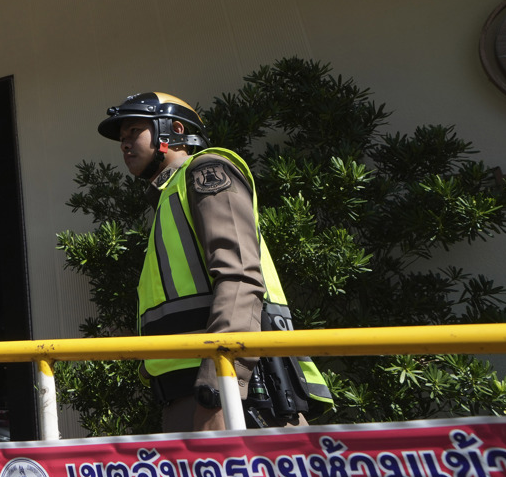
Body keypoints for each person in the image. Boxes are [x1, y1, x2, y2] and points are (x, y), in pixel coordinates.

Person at [97, 92, 331, 434]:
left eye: (134, 131)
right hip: (190, 390)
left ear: (175, 130)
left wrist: (219, 387)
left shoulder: (206, 171)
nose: (125, 143)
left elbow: (240, 278)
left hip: (233, 391)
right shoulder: (168, 198)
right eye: (122, 138)